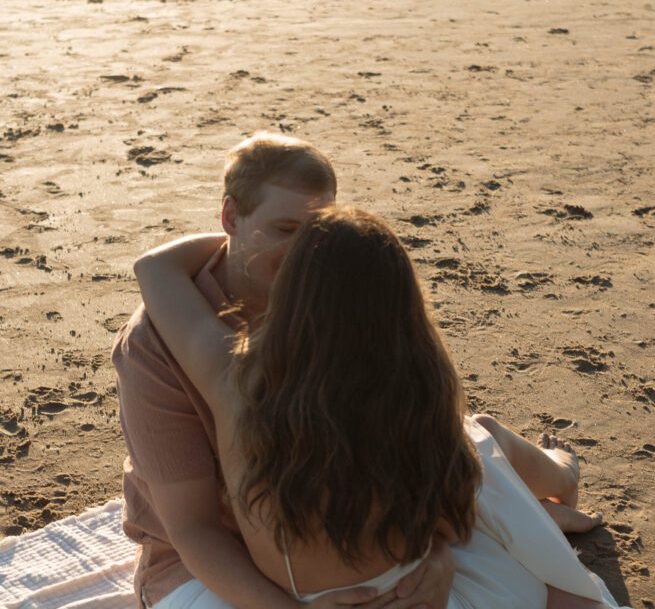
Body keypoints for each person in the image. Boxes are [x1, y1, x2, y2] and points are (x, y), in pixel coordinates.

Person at [133, 205, 627, 609]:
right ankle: (559, 479)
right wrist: (435, 552)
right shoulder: (420, 399)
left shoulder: (232, 382)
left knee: (475, 442)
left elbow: (153, 268)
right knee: (477, 441)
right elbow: (454, 518)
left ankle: (556, 482)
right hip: (411, 596)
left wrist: (247, 234)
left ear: (293, 296)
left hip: (297, 597)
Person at [113, 132, 459, 609]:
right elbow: (193, 529)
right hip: (208, 567)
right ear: (231, 216)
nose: (304, 253)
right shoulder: (155, 343)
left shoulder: (333, 306)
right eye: (284, 229)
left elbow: (401, 448)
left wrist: (435, 555)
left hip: (332, 543)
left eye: (318, 232)